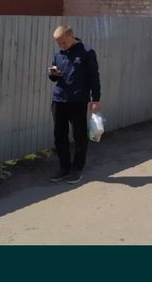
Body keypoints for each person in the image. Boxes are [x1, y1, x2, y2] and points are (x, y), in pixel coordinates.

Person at [47, 25, 101, 184]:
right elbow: (54, 77)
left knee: (79, 136)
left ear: (72, 36)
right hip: (59, 100)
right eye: (58, 43)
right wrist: (52, 74)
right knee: (59, 135)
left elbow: (94, 77)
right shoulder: (59, 53)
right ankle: (64, 168)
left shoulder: (87, 52)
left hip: (78, 101)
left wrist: (96, 99)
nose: (61, 46)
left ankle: (77, 169)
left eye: (63, 42)